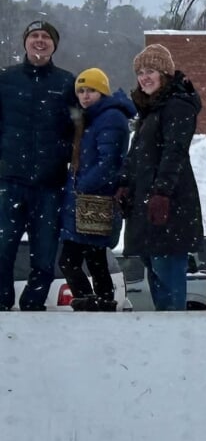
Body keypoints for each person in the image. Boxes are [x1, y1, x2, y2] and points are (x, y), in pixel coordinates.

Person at [0, 21, 76, 310]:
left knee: (44, 257)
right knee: (3, 250)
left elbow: (78, 129)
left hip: (50, 186)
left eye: (46, 37)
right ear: (25, 42)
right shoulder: (5, 79)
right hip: (10, 182)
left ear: (54, 45)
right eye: (34, 36)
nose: (40, 41)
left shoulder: (66, 83)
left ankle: (33, 307)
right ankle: (2, 308)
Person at [122, 45, 203, 312]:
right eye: (140, 72)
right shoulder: (150, 111)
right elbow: (138, 158)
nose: (144, 77)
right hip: (146, 206)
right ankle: (163, 331)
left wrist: (162, 193)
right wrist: (126, 186)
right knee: (155, 273)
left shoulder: (177, 106)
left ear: (165, 74)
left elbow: (174, 152)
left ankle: (173, 333)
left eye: (151, 71)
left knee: (168, 274)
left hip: (170, 206)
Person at [60, 68, 131, 312]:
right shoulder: (91, 117)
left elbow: (109, 162)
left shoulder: (110, 118)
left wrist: (82, 186)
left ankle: (91, 302)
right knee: (95, 259)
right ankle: (101, 303)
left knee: (70, 260)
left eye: (91, 90)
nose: (85, 95)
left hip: (94, 200)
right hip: (86, 200)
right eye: (81, 91)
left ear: (102, 91)